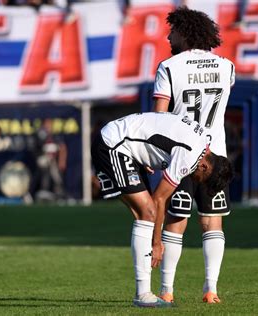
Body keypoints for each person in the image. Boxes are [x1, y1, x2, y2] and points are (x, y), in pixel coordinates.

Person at [91, 112, 234, 308]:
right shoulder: (190, 156)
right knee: (148, 212)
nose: (197, 182)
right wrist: (157, 243)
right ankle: (143, 295)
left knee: (145, 215)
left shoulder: (202, 143)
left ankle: (144, 294)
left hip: (125, 143)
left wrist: (146, 152)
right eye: (203, 181)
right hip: (113, 144)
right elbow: (160, 199)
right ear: (204, 167)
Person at [152, 6, 236, 304]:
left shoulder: (169, 67)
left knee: (176, 220)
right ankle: (211, 290)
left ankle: (166, 291)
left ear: (185, 33)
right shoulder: (226, 66)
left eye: (173, 30)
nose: (168, 35)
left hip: (180, 155)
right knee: (212, 221)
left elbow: (159, 118)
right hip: (215, 157)